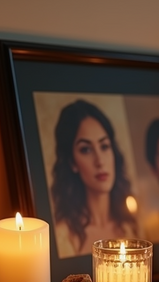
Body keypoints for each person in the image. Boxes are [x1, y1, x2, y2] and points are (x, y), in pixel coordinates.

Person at [50, 99, 138, 257]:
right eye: (85, 150)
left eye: (104, 146)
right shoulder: (63, 237)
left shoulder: (131, 227)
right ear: (72, 162)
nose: (99, 161)